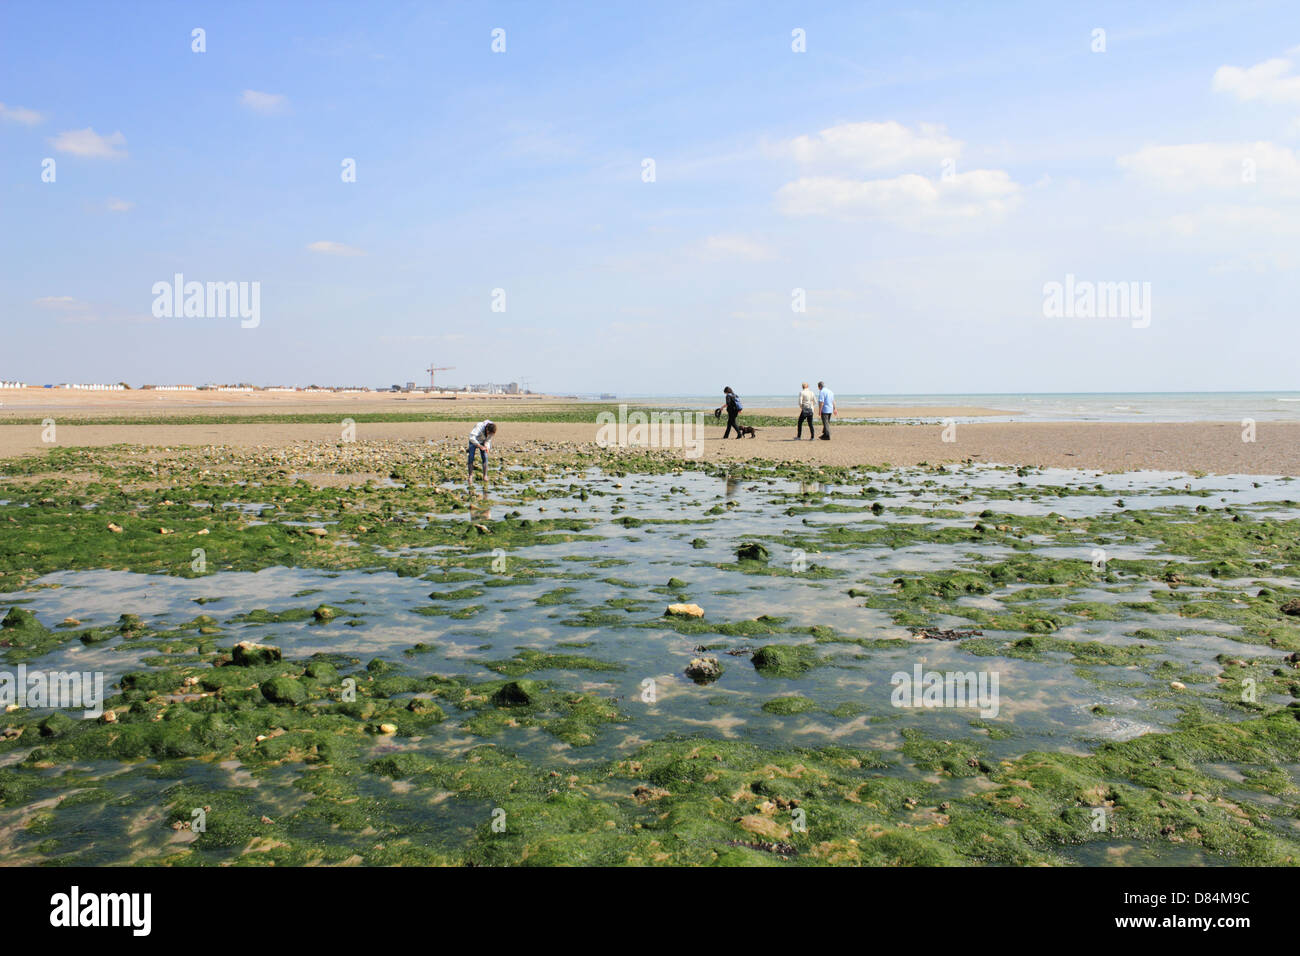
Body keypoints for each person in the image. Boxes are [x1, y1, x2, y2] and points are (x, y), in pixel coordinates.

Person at [467, 419, 496, 491]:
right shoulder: (479, 426)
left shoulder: (491, 431)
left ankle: (485, 476)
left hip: (483, 441)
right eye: (489, 433)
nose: (490, 435)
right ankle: (470, 476)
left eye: (491, 434)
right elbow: (471, 437)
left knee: (485, 457)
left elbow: (488, 440)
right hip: (474, 440)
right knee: (471, 456)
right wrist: (479, 446)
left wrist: (487, 448)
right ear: (486, 429)